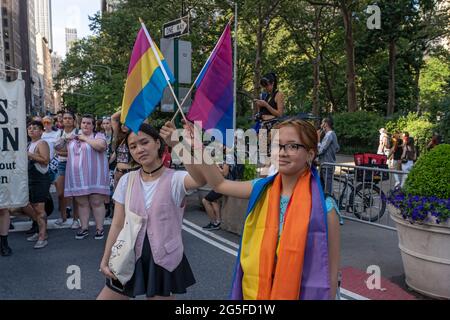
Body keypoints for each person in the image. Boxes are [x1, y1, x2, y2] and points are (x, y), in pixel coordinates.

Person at [160, 118, 341, 300]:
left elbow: (330, 274)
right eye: (278, 145)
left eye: (293, 146)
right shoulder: (261, 189)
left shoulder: (325, 209)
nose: (283, 152)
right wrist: (185, 145)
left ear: (310, 154)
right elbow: (219, 183)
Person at [97, 123, 205, 300]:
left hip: (163, 258)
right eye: (133, 146)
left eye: (144, 142)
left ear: (157, 143)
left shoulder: (175, 179)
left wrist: (178, 145)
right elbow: (117, 224)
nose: (139, 149)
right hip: (128, 254)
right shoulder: (126, 180)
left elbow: (200, 179)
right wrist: (106, 257)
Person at [65, 114, 110, 240]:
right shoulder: (74, 137)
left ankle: (99, 229)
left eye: (89, 123)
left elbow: (101, 147)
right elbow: (59, 148)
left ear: (93, 125)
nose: (85, 125)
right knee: (82, 202)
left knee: (96, 201)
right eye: (83, 122)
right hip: (78, 176)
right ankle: (84, 228)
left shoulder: (98, 136)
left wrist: (84, 138)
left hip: (95, 175)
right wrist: (64, 139)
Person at [22, 121, 51, 249]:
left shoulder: (42, 143)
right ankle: (40, 230)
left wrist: (29, 155)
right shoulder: (29, 144)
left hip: (40, 179)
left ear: (41, 131)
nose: (31, 130)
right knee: (28, 206)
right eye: (29, 128)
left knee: (39, 209)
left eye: (34, 128)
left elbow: (45, 160)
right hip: (30, 179)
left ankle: (42, 236)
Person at [54, 111, 80, 228]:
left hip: (75, 165)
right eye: (65, 118)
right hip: (62, 164)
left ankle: (76, 219)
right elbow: (56, 151)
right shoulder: (59, 133)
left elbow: (79, 152)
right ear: (62, 121)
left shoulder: (78, 133)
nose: (67, 120)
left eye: (70, 118)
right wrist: (68, 152)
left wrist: (65, 152)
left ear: (74, 121)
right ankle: (63, 217)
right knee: (60, 193)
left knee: (75, 193)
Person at [110, 111, 137, 188]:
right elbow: (113, 118)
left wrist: (133, 108)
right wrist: (126, 108)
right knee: (117, 199)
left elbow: (144, 119)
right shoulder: (118, 136)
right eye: (122, 124)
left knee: (131, 198)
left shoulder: (137, 136)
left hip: (133, 173)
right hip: (119, 173)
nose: (123, 126)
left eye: (126, 124)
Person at [202, 162, 230, 231]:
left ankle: (213, 222)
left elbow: (224, 173)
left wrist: (216, 166)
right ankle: (217, 222)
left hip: (225, 185)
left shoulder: (229, 157)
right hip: (225, 184)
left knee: (205, 200)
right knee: (213, 201)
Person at [318, 117, 340, 194]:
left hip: (326, 165)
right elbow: (337, 148)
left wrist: (318, 140)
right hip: (327, 164)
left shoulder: (329, 135)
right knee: (323, 187)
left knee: (327, 190)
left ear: (325, 124)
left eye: (322, 123)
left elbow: (320, 150)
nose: (321, 125)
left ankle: (329, 204)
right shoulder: (332, 134)